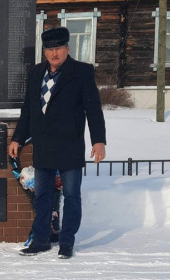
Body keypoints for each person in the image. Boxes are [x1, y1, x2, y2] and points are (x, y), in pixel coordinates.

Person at [8, 27, 107, 259]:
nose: (55, 53)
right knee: (43, 196)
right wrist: (17, 138)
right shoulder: (35, 73)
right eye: (50, 49)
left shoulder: (82, 72)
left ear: (67, 49)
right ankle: (41, 240)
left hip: (70, 145)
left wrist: (99, 140)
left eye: (59, 49)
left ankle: (66, 242)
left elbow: (93, 108)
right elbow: (28, 110)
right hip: (44, 146)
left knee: (72, 196)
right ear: (45, 52)